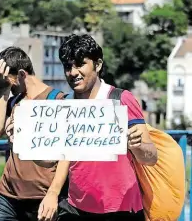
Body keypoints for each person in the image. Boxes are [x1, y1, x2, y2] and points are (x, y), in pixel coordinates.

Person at [56, 34, 158, 221]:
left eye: (80, 64)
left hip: (120, 209)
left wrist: (137, 146)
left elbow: (151, 157)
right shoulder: (63, 105)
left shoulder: (121, 99)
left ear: (98, 65)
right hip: (75, 208)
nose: (72, 72)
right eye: (67, 66)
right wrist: (20, 140)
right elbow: (51, 160)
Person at [0, 47, 69, 221]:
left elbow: (66, 155)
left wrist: (53, 194)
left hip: (41, 198)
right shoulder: (14, 101)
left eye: (9, 81)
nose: (10, 86)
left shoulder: (57, 101)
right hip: (7, 197)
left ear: (22, 74)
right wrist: (3, 88)